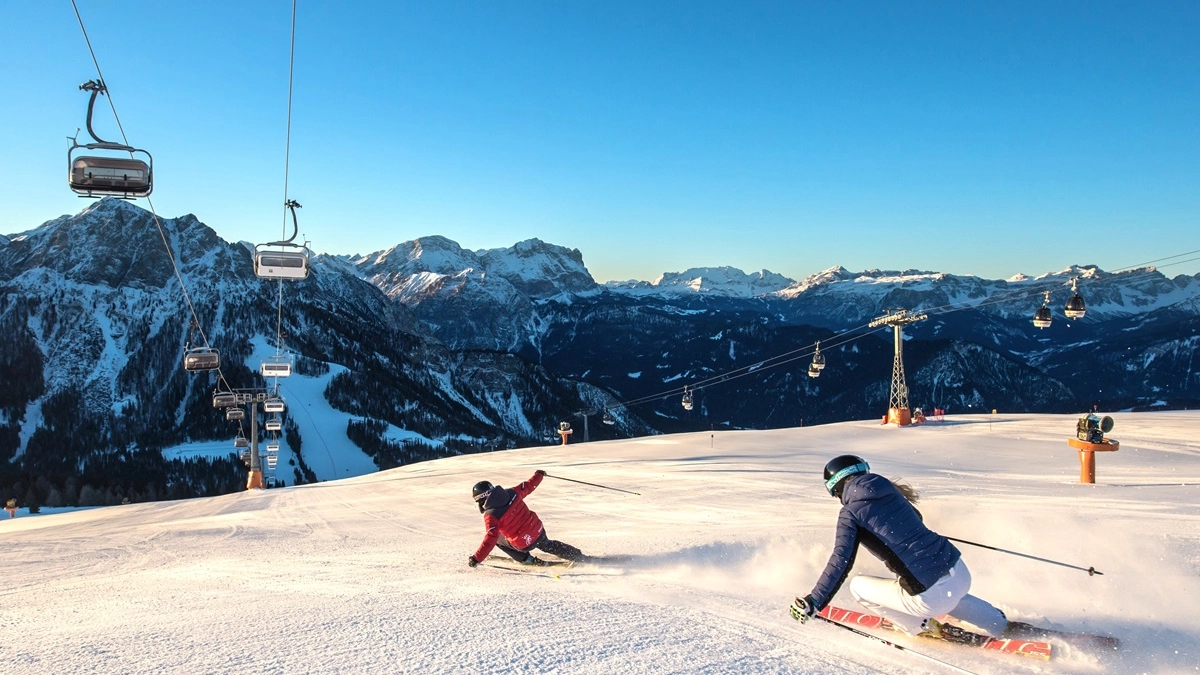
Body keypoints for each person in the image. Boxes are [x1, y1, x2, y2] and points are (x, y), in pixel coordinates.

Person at [789, 455, 1008, 640]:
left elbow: (841, 561)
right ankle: (999, 623)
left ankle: (921, 627)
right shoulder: (887, 488)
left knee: (858, 587)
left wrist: (814, 601)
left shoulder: (850, 513)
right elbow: (917, 518)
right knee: (945, 590)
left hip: (932, 596)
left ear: (837, 489)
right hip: (960, 573)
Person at [467, 469, 588, 568]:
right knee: (547, 544)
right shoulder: (512, 493)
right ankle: (577, 556)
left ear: (483, 498)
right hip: (538, 529)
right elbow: (529, 486)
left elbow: (490, 539)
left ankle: (527, 559)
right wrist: (539, 475)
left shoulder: (491, 515)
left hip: (524, 543)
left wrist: (476, 558)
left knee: (497, 539)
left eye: (479, 501)